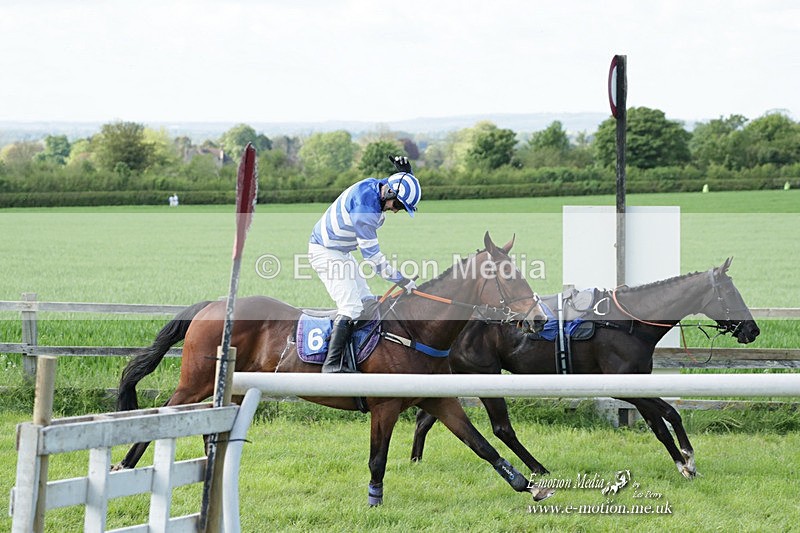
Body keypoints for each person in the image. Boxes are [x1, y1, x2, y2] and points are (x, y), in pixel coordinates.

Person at [308, 155, 422, 373]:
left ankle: (355, 354)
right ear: (390, 193)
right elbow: (374, 260)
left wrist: (406, 174)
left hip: (340, 252)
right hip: (326, 252)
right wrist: (402, 280)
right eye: (398, 205)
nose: (396, 210)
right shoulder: (366, 212)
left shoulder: (379, 187)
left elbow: (395, 183)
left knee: (367, 303)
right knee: (351, 307)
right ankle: (331, 365)